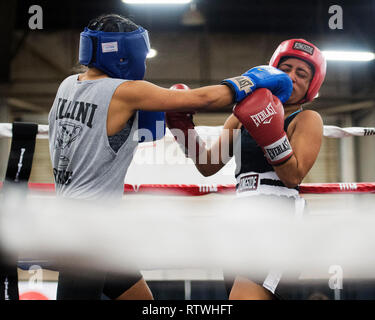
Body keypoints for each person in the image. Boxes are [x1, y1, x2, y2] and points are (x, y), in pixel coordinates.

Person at [47, 13, 293, 300]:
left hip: (80, 222)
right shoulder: (125, 92)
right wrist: (253, 80)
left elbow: (132, 134)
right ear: (125, 56)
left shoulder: (67, 86)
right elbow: (206, 99)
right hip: (87, 232)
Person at [166, 38, 326, 300]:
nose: (292, 77)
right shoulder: (240, 114)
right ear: (273, 71)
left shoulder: (307, 118)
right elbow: (208, 165)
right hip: (241, 212)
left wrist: (271, 132)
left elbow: (292, 176)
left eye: (302, 73)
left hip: (280, 213)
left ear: (311, 85)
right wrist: (182, 129)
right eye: (285, 68)